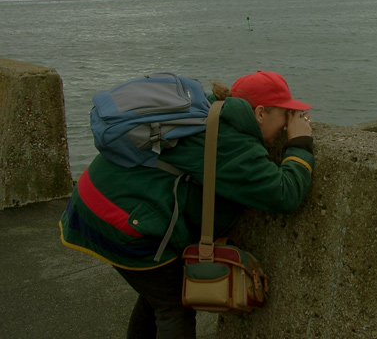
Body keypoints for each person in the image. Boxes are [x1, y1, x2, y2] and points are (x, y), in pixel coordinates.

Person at [59, 70, 314, 339]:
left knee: (156, 292)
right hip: (117, 217)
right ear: (260, 113)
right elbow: (285, 194)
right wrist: (299, 143)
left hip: (91, 197)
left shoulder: (207, 111)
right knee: (172, 306)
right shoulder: (232, 142)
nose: (286, 126)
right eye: (285, 116)